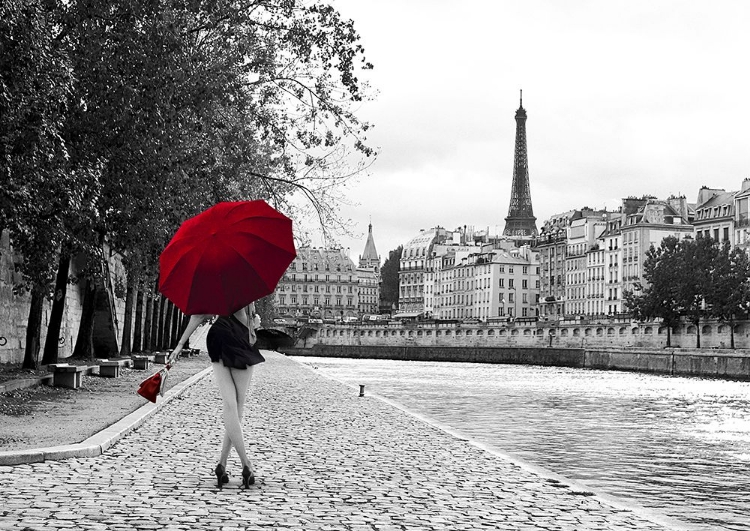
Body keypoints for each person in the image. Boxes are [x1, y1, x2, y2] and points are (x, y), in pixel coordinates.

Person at [169, 302, 264, 489]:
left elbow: (199, 315)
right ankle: (246, 464)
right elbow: (252, 320)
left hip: (218, 334)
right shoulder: (246, 280)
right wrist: (255, 321)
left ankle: (222, 465)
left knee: (229, 405)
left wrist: (180, 345)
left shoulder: (213, 281)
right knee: (237, 408)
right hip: (240, 337)